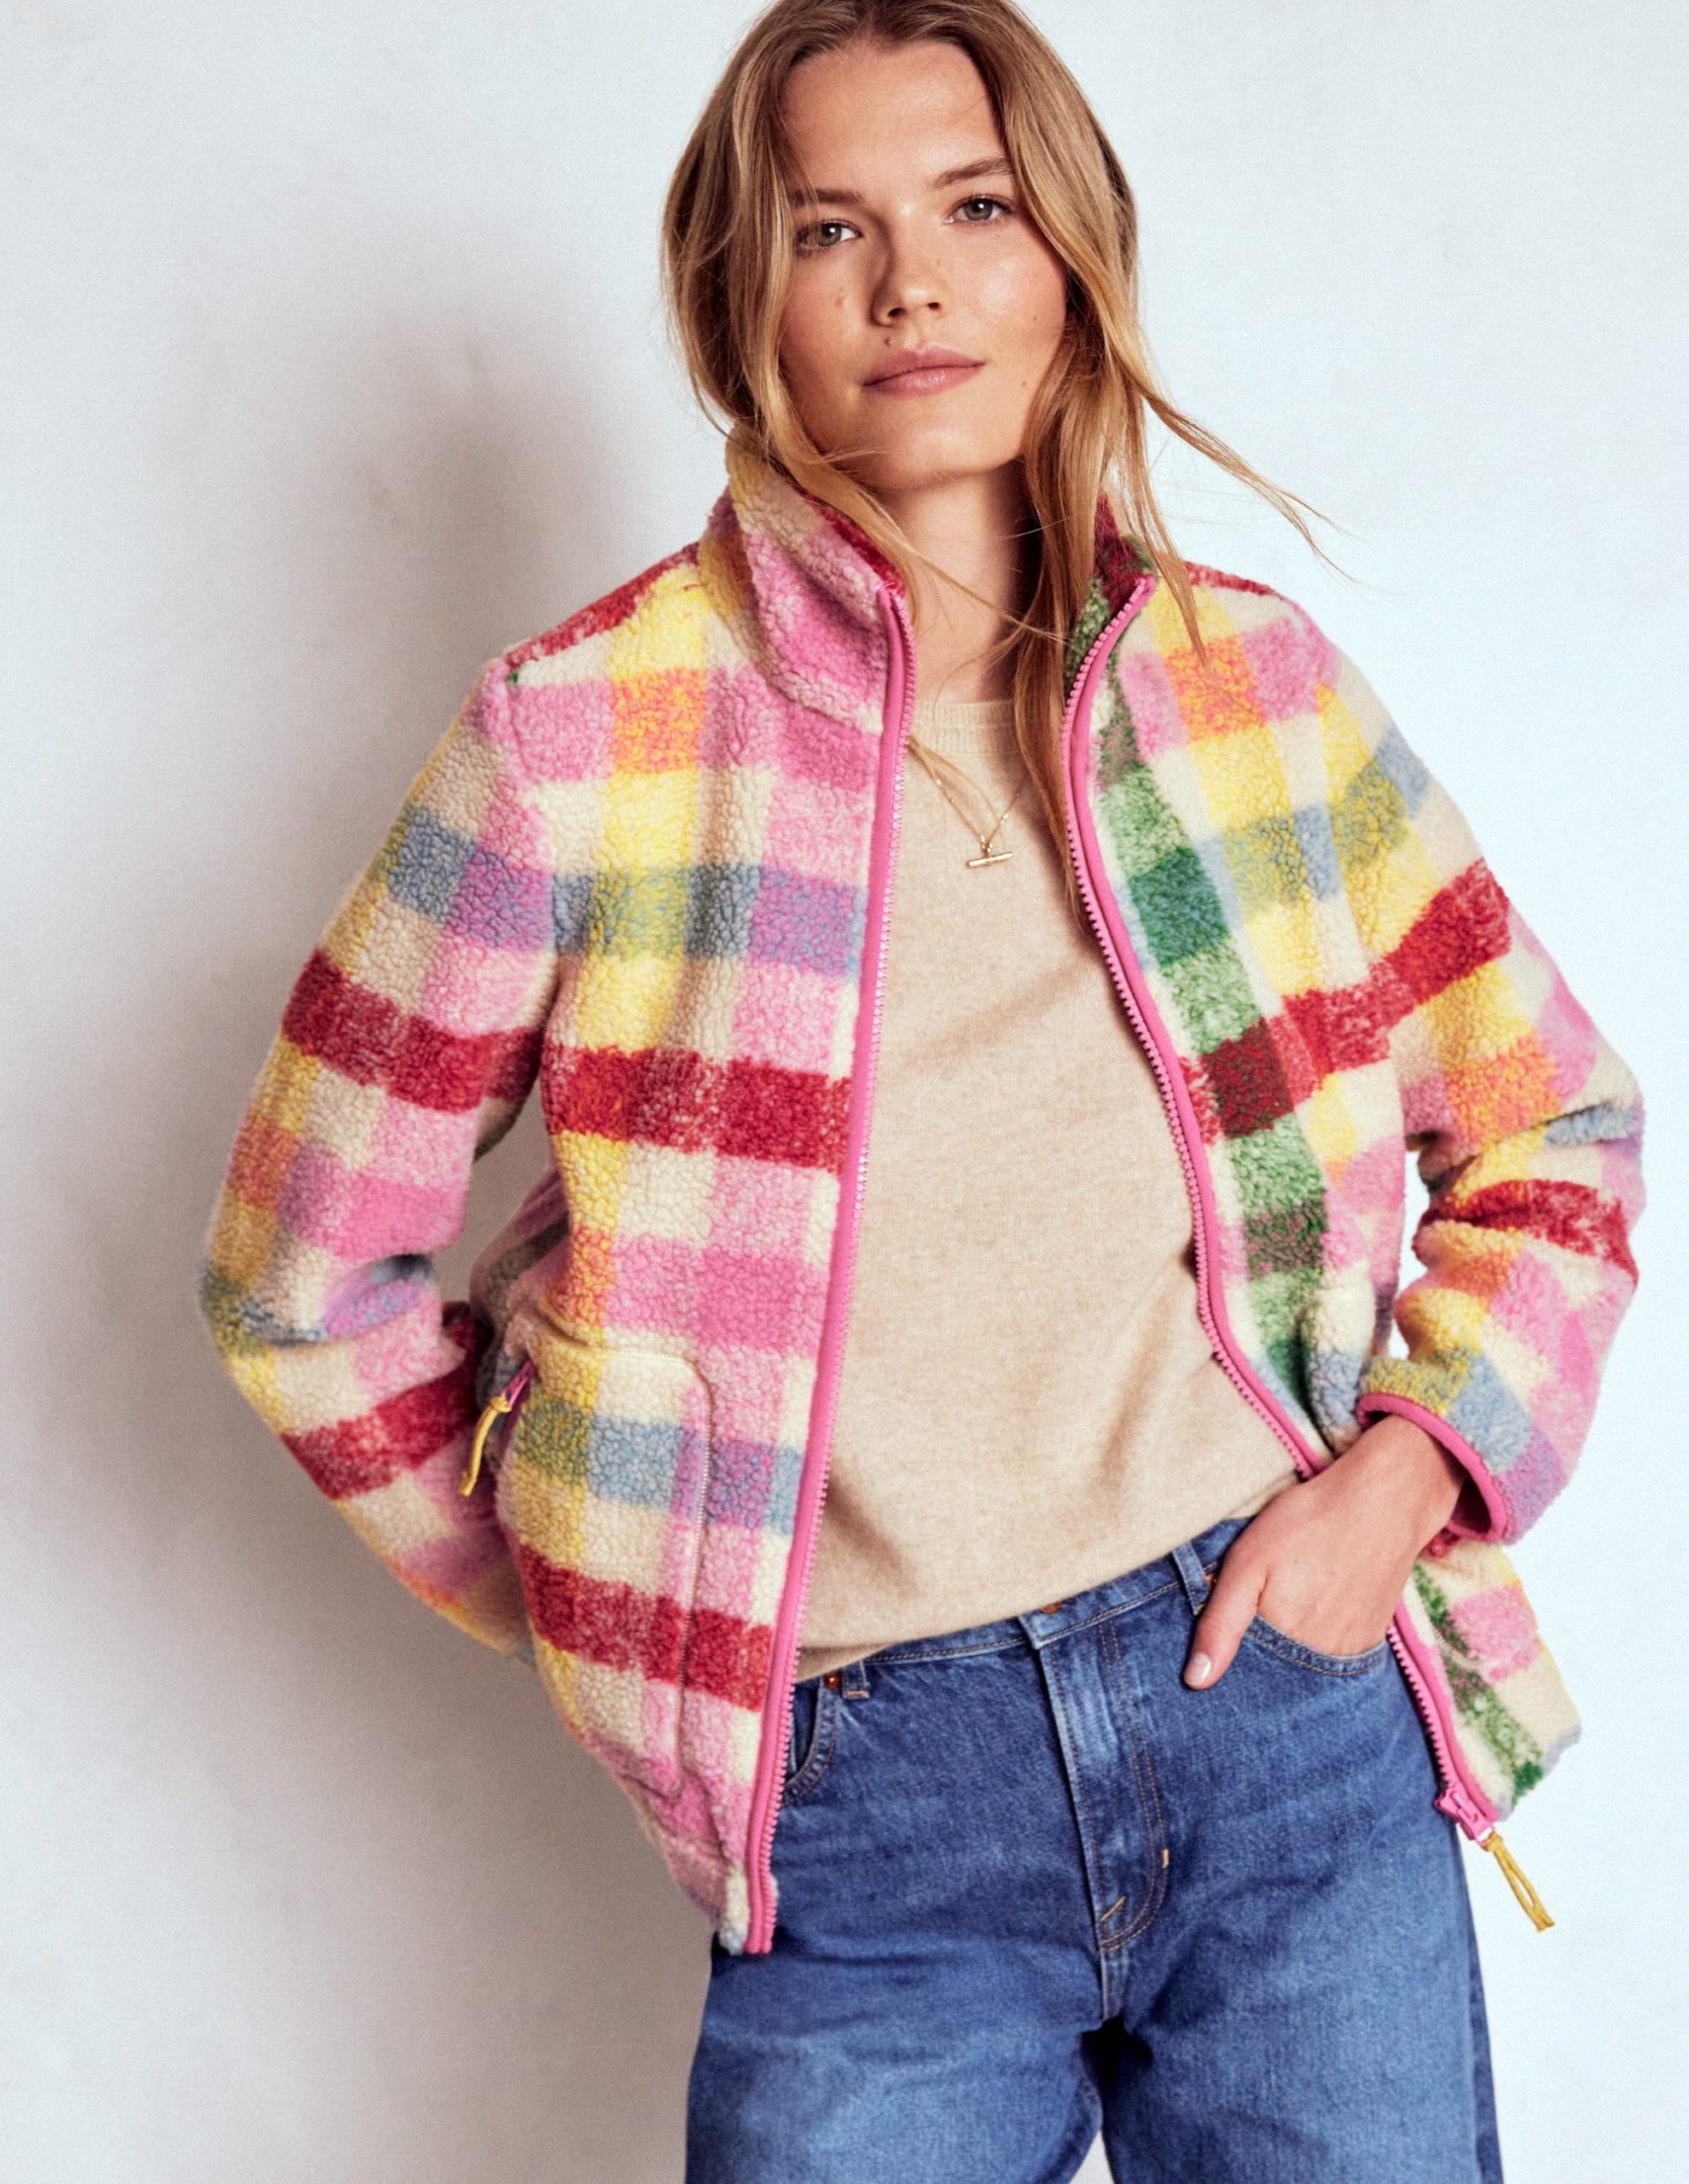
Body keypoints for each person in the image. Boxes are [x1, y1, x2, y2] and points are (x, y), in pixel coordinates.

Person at [197, 3, 1645, 2176]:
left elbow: (1559, 1126)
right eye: (828, 228)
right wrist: (627, 1590)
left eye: (974, 207)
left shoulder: (1252, 690)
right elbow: (299, 1273)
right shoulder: (578, 741)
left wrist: (1408, 1472)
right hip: (865, 1800)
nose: (911, 285)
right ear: (739, 295)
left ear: (1069, 256)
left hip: (1287, 1732)